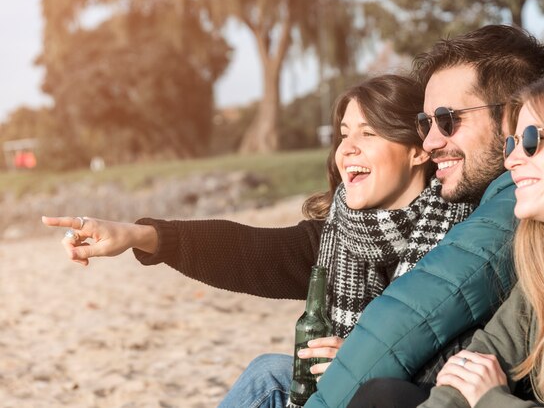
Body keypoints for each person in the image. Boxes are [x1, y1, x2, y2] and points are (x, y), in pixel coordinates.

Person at [42, 74, 474, 407]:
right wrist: (138, 235)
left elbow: (460, 362)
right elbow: (246, 252)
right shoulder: (339, 236)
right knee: (270, 373)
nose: (347, 150)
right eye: (344, 134)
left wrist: (366, 357)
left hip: (403, 398)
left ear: (419, 149)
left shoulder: (461, 240)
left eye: (368, 133)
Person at [304, 25, 544, 408]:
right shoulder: (487, 202)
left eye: (447, 119)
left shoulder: (515, 208)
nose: (429, 141)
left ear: (510, 118)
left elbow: (411, 316)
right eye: (425, 123)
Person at [417, 70, 544, 407]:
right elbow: (477, 363)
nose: (511, 160)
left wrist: (490, 399)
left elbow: (480, 387)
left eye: (530, 139)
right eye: (510, 143)